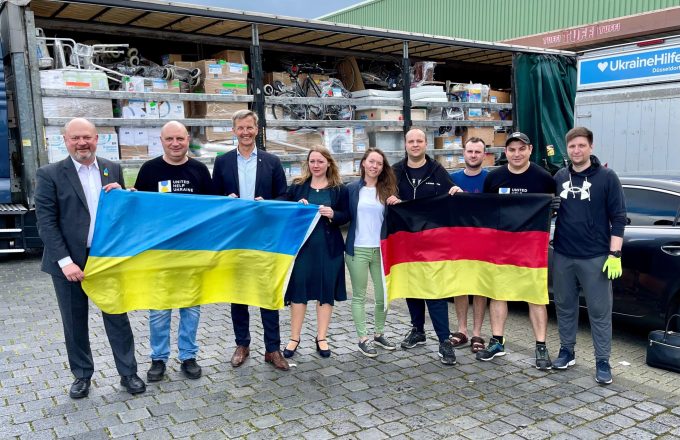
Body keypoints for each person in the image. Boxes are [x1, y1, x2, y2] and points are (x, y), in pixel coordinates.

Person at [34, 118, 145, 398]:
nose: (81, 143)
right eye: (75, 138)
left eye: (87, 137)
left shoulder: (112, 168)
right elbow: (46, 223)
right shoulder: (49, 174)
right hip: (68, 262)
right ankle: (82, 376)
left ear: (96, 139)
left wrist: (127, 196)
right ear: (65, 141)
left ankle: (128, 373)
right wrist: (65, 262)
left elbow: (121, 214)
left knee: (117, 316)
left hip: (106, 258)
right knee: (74, 322)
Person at [133, 121, 213, 382]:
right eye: (170, 139)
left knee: (191, 308)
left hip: (192, 252)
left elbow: (212, 210)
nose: (175, 144)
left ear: (188, 139)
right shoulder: (149, 170)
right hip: (160, 253)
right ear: (161, 141)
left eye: (180, 138)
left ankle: (188, 356)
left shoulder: (200, 170)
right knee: (159, 310)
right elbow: (139, 209)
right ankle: (158, 359)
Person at [212, 109, 290, 371]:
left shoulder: (272, 161)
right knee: (238, 293)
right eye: (240, 128)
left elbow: (284, 196)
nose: (245, 132)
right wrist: (225, 201)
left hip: (265, 239)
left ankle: (273, 348)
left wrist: (267, 203)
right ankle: (242, 344)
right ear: (234, 131)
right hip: (236, 238)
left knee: (267, 292)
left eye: (249, 127)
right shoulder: (222, 162)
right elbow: (213, 198)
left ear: (257, 129)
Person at [552, 127, 626, 385]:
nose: (576, 150)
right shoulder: (560, 176)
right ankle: (567, 351)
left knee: (599, 311)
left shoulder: (607, 177)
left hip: (595, 257)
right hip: (563, 254)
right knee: (564, 306)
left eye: (581, 145)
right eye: (572, 146)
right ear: (567, 148)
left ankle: (602, 361)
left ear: (591, 147)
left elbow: (619, 217)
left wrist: (614, 253)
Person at [478, 132, 556, 370]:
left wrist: (554, 207)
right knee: (498, 294)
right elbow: (485, 211)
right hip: (500, 247)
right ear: (506, 152)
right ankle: (497, 341)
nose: (517, 154)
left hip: (531, 249)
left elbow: (552, 210)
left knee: (536, 297)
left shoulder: (544, 179)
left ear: (530, 150)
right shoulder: (494, 178)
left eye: (522, 149)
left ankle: (541, 346)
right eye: (512, 149)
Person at [390, 128, 461, 365]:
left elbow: (452, 196)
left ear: (426, 143)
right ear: (405, 144)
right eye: (411, 141)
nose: (415, 144)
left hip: (432, 243)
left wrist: (457, 192)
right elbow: (382, 194)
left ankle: (444, 340)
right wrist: (388, 198)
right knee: (411, 287)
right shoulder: (395, 171)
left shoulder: (437, 170)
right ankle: (418, 330)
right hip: (405, 241)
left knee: (434, 291)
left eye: (419, 141)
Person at [283, 145, 349, 358]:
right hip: (303, 250)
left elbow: (346, 215)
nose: (316, 165)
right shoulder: (297, 187)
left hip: (329, 250)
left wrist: (333, 214)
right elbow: (284, 210)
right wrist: (297, 207)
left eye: (320, 161)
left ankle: (321, 337)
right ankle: (294, 337)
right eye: (312, 161)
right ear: (308, 163)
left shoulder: (339, 189)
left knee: (325, 293)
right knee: (298, 291)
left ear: (328, 163)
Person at [345, 148, 398, 357]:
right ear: (363, 163)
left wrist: (397, 204)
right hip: (357, 249)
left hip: (381, 250)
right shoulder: (351, 189)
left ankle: (379, 333)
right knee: (359, 296)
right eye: (371, 162)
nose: (374, 166)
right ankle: (363, 338)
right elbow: (342, 214)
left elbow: (396, 218)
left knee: (383, 295)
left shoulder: (388, 190)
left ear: (383, 167)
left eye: (379, 163)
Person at [448, 137, 489, 353]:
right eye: (470, 151)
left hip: (483, 242)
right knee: (460, 287)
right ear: (464, 153)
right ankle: (462, 330)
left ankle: (477, 333)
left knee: (480, 288)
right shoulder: (451, 179)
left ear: (484, 154)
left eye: (477, 152)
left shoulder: (491, 180)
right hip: (458, 242)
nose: (473, 155)